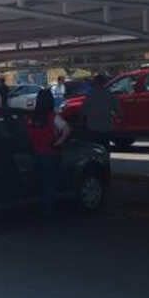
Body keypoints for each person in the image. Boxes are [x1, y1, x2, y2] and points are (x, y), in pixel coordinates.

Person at [27, 88, 70, 222]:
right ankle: (48, 215)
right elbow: (67, 129)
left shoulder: (31, 118)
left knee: (40, 185)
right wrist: (59, 141)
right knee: (50, 186)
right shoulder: (53, 117)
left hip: (36, 154)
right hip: (51, 153)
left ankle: (39, 212)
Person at [80, 74, 118, 149]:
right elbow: (118, 109)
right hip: (106, 125)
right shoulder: (110, 94)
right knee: (105, 146)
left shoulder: (90, 94)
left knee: (95, 147)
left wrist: (81, 119)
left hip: (93, 126)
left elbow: (83, 109)